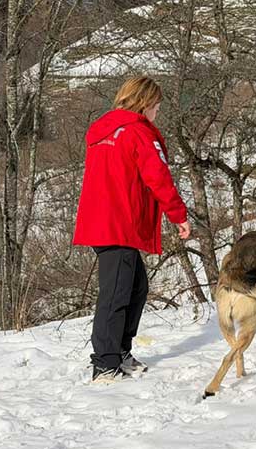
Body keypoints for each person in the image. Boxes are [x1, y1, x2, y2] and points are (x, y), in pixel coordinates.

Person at [73, 77, 191, 383]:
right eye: (156, 106)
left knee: (136, 288)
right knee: (115, 294)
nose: (157, 113)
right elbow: (158, 176)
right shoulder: (138, 132)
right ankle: (105, 363)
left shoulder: (104, 129)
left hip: (101, 219)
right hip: (118, 222)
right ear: (145, 103)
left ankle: (119, 351)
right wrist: (178, 215)